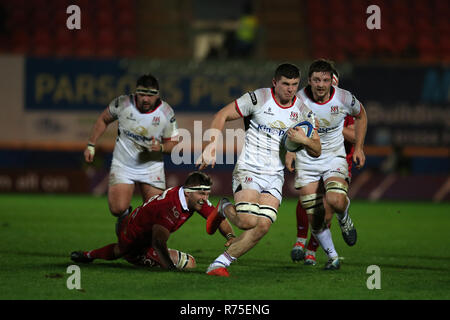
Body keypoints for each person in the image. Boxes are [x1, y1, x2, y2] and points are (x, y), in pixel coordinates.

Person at [197, 63, 322, 277]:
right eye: (285, 84)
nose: (290, 89)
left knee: (262, 226)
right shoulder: (257, 99)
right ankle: (223, 207)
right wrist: (211, 146)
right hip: (249, 168)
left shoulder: (303, 111)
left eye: (294, 85)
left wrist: (304, 140)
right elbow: (222, 115)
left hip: (275, 176)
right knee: (247, 221)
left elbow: (317, 149)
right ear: (275, 83)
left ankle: (218, 265)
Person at [286, 59, 367, 270]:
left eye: (325, 80)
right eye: (316, 80)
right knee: (315, 216)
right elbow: (288, 125)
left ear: (332, 81)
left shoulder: (343, 98)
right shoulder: (298, 99)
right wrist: (289, 152)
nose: (321, 84)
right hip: (306, 159)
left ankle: (344, 215)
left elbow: (362, 114)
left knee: (336, 200)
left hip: (333, 156)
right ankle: (333, 257)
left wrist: (358, 147)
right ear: (309, 81)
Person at [70, 171, 236, 270]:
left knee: (121, 249)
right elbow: (158, 242)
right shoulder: (170, 207)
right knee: (122, 251)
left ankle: (90, 253)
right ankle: (90, 254)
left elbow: (217, 217)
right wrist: (170, 270)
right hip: (137, 242)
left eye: (207, 194)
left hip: (143, 229)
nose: (205, 199)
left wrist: (230, 236)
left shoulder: (192, 198)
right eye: (202, 194)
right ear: (188, 193)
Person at [84, 74, 179, 218]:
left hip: (151, 167)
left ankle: (141, 233)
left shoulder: (166, 112)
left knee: (155, 213)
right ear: (136, 92)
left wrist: (161, 147)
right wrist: (91, 144)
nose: (146, 99)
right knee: (117, 209)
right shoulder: (123, 103)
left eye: (150, 95)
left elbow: (173, 143)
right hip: (124, 164)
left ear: (157, 95)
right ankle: (127, 225)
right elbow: (103, 119)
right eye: (142, 94)